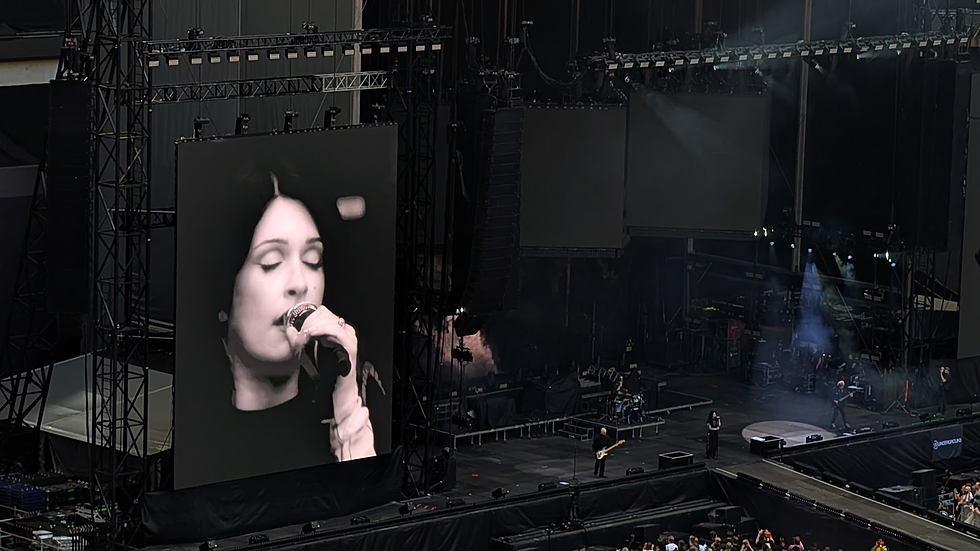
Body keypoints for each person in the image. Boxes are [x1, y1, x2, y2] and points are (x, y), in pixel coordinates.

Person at [221, 173, 376, 462]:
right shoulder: (202, 438)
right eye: (271, 262)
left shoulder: (335, 421)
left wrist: (346, 398)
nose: (300, 284)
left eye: (312, 260)